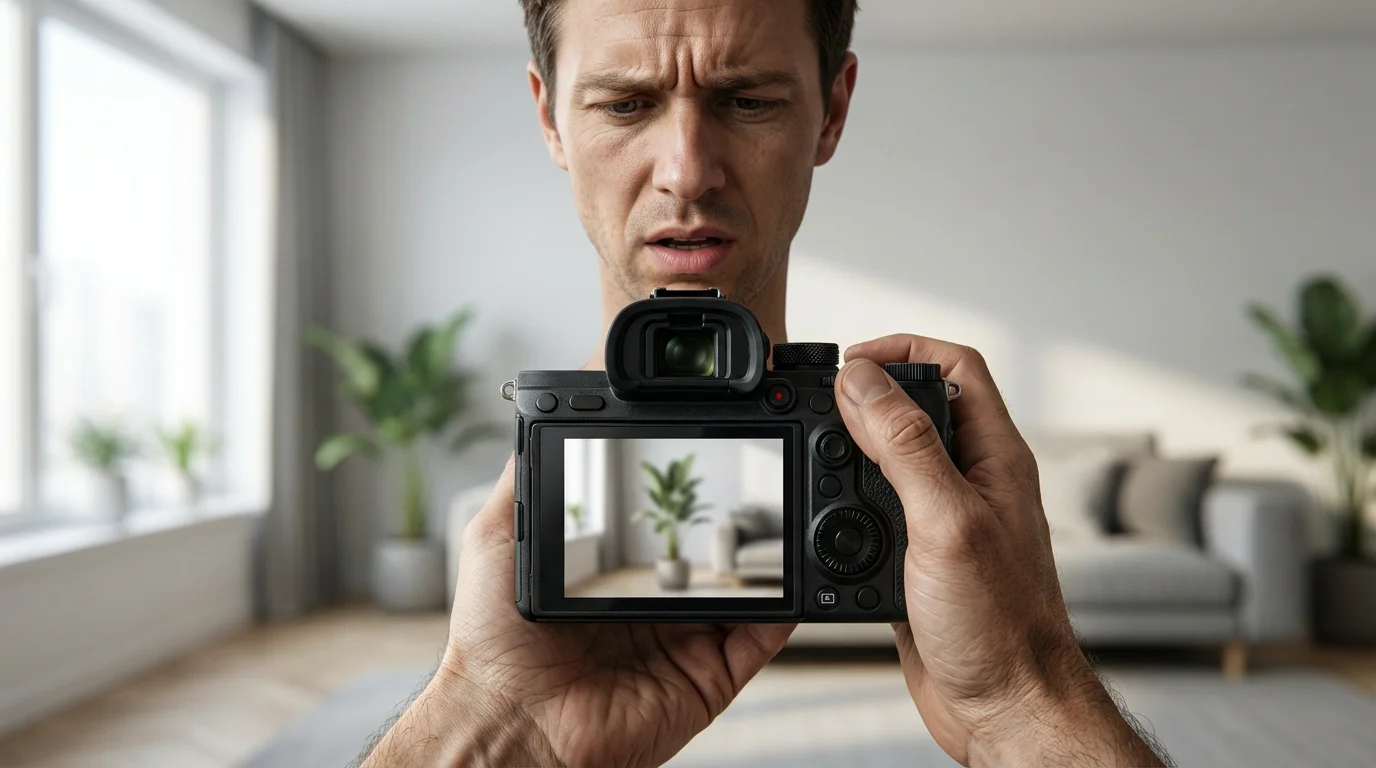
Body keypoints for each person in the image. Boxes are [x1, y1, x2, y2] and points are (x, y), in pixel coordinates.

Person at [357, 1, 1174, 765]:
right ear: (550, 117)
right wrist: (500, 718)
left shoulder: (912, 442)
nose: (687, 172)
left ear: (832, 110)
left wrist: (1019, 698)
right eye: (625, 105)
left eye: (746, 101)